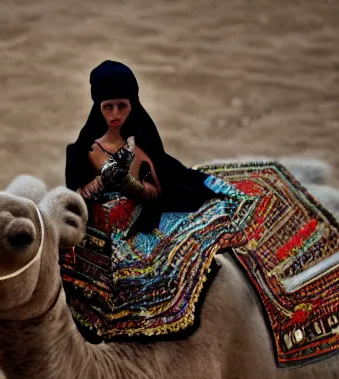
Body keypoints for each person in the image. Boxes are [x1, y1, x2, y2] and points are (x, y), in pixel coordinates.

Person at [61, 60, 248, 341]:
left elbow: (155, 190)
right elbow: (77, 192)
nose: (115, 115)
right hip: (96, 222)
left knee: (163, 265)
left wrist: (132, 186)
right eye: (108, 107)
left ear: (132, 104)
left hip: (133, 220)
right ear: (97, 106)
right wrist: (98, 184)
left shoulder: (141, 144)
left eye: (122, 107)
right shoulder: (86, 148)